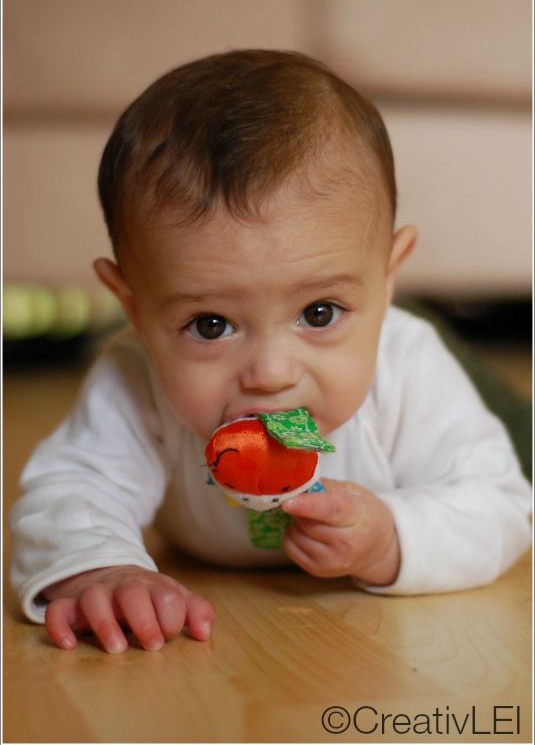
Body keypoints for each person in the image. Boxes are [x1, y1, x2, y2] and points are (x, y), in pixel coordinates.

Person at [10, 50, 531, 655]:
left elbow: (500, 502)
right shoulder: (136, 375)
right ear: (133, 308)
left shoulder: (408, 364)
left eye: (318, 313)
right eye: (210, 325)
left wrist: (394, 539)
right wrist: (101, 573)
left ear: (388, 278)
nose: (271, 376)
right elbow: (73, 487)